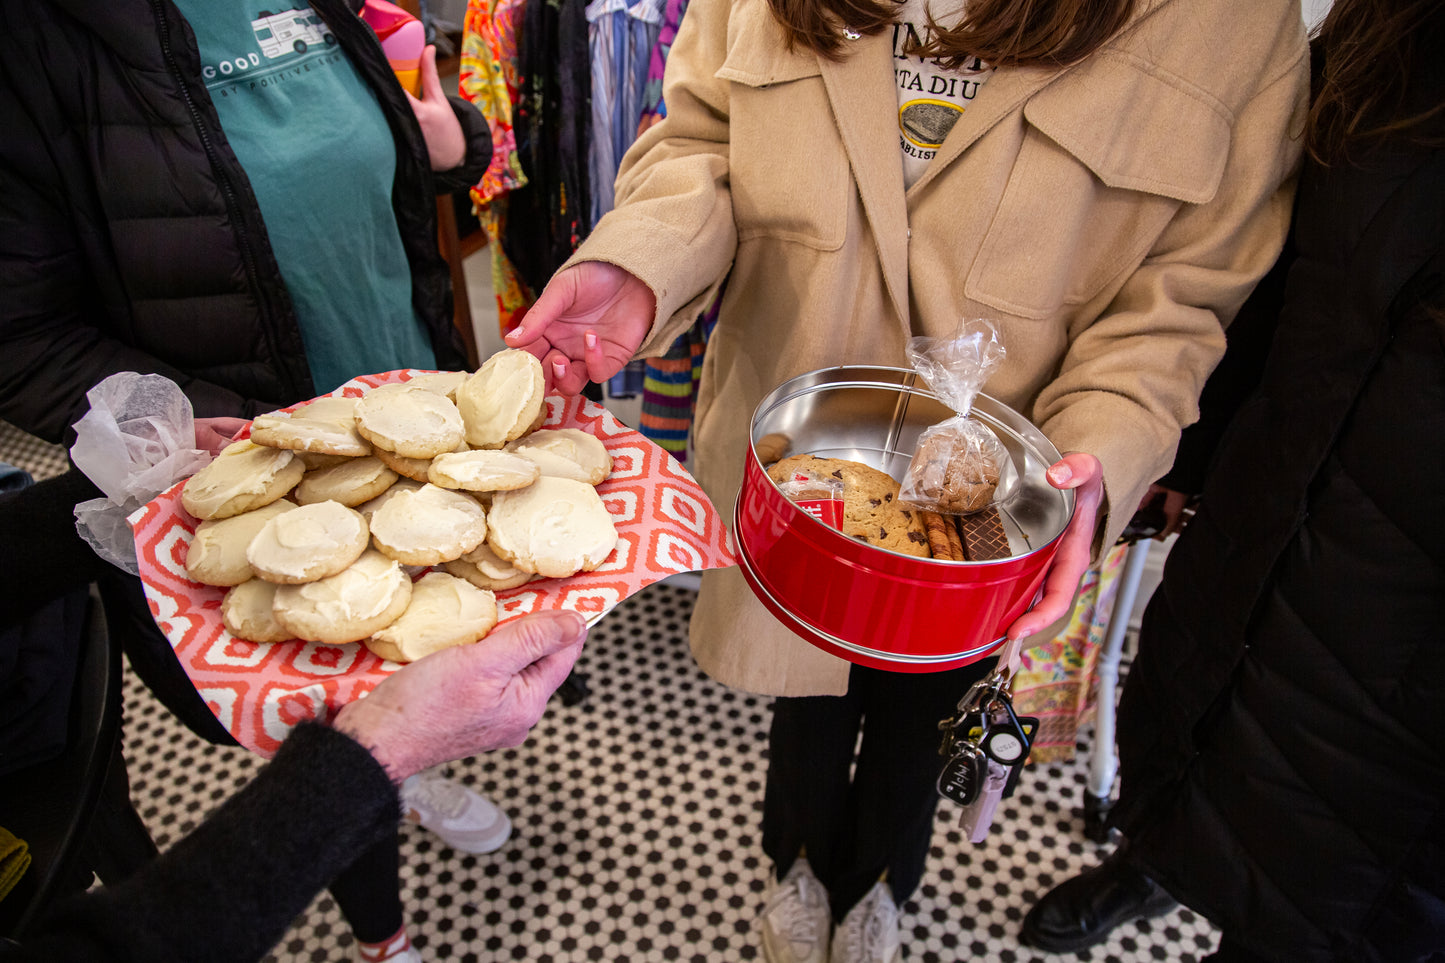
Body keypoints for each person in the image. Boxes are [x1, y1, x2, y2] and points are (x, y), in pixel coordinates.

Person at [501, 0, 1311, 957]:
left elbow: (1178, 303)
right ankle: (792, 863)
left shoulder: (1234, 27)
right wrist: (641, 261)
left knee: (924, 710)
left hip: (996, 491)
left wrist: (1103, 449)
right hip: (791, 455)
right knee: (799, 685)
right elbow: (702, 140)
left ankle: (886, 880)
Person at [0, 0, 500, 958]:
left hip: (412, 417)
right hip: (261, 480)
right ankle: (381, 931)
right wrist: (181, 419)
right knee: (329, 714)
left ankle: (409, 762)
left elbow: (363, 172)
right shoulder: (38, 43)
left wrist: (454, 145)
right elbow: (19, 334)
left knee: (415, 634)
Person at [1018, 0, 1445, 959]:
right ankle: (1158, 860)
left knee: (1329, 904)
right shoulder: (1394, 30)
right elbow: (1281, 260)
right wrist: (1184, 453)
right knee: (1205, 756)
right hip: (1265, 525)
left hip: (1407, 673)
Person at [0, 608, 588, 963]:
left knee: (398, 667)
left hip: (40, 655)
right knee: (329, 704)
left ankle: (401, 775)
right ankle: (383, 934)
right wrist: (375, 754)